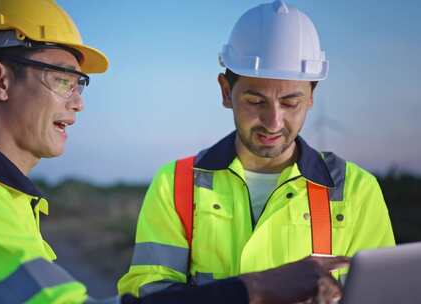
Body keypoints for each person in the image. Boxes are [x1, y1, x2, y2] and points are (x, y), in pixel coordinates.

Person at [0, 0, 348, 303]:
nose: (78, 100)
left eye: (79, 84)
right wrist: (258, 289)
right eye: (62, 78)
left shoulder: (7, 201)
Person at [118, 0, 395, 298]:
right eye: (255, 101)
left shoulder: (356, 190)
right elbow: (148, 297)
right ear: (226, 92)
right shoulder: (175, 184)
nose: (273, 122)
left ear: (312, 96)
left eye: (290, 102)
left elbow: (384, 296)